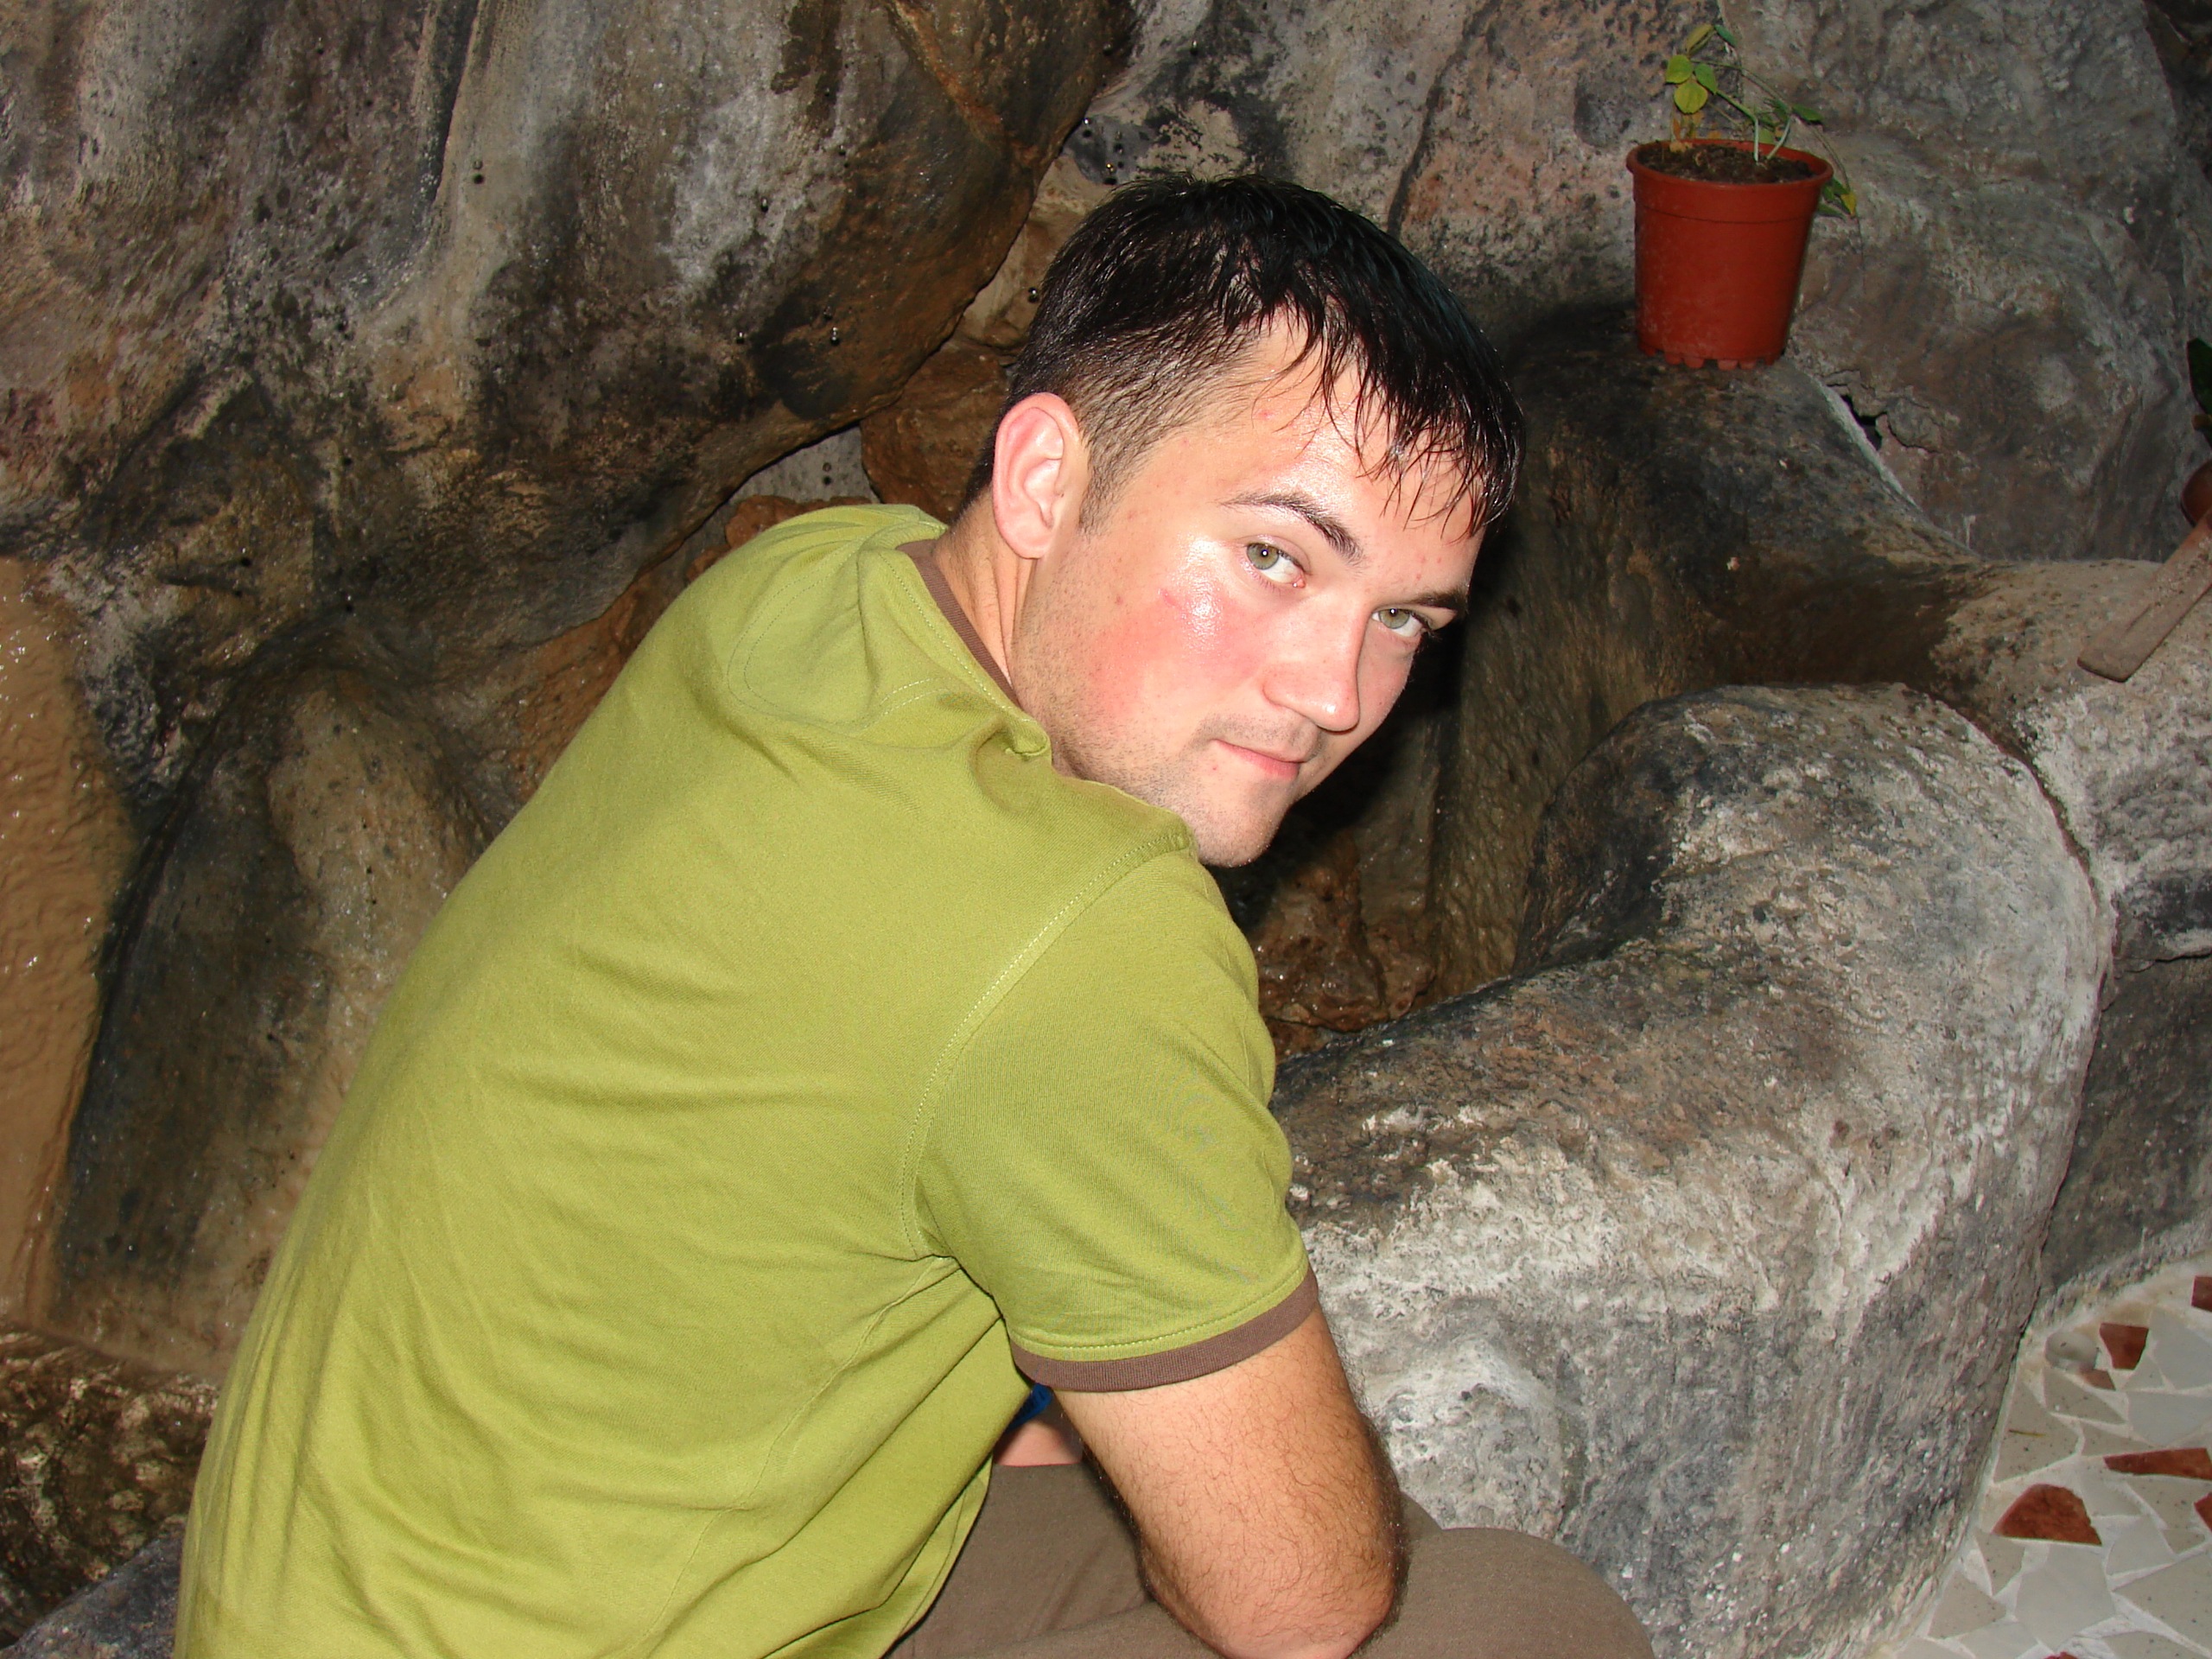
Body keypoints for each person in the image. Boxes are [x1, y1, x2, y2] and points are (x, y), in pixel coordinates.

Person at [175, 176, 1652, 1659]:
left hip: (323, 1597)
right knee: (1516, 1619)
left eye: (1403, 619)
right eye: (1276, 556)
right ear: (1045, 479)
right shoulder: (1085, 936)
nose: (1337, 694)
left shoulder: (810, 585)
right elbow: (1301, 1607)